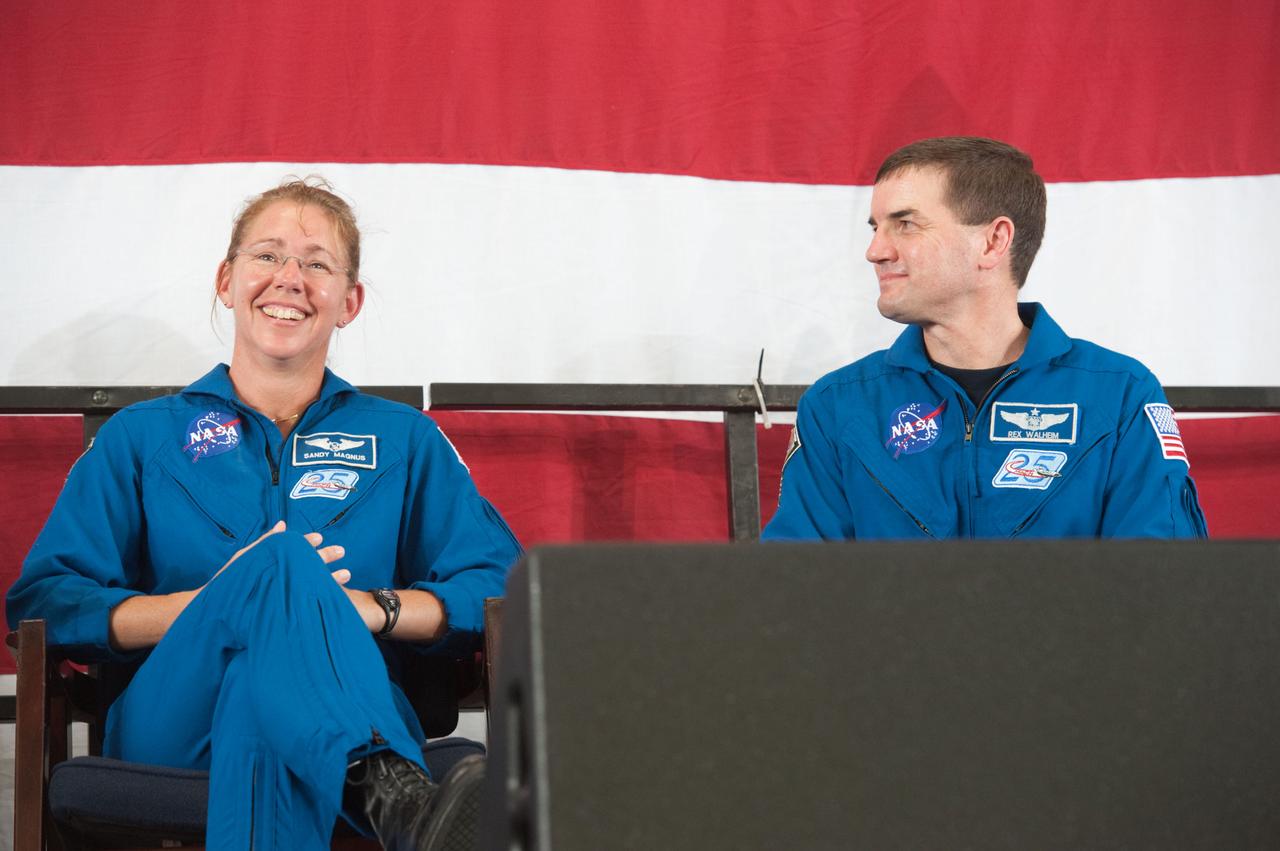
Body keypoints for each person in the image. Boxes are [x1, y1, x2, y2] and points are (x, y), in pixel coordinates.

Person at [6, 178, 523, 850]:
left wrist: (375, 609)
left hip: (351, 701)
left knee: (264, 677)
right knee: (282, 563)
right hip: (176, 720)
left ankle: (365, 770)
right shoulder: (141, 437)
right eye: (268, 255)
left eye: (317, 263)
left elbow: (501, 585)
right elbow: (46, 599)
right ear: (227, 281)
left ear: (349, 301)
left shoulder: (405, 440)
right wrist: (221, 603)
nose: (290, 278)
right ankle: (382, 785)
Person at [764, 137, 1207, 540]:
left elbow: (1160, 583)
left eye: (905, 224)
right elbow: (797, 586)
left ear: (993, 242)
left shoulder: (1119, 396)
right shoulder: (837, 406)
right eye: (875, 227)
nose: (875, 251)